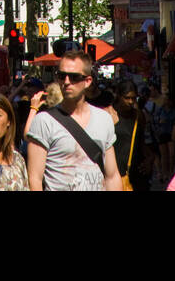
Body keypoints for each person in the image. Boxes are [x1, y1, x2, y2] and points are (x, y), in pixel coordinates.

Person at [25, 49, 122, 192]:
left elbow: (112, 176)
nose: (66, 82)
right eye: (61, 76)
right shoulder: (44, 121)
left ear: (87, 81)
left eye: (74, 77)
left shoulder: (104, 119)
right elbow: (34, 179)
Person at [113, 79, 155, 190]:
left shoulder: (138, 116)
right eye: (127, 98)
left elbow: (140, 143)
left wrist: (149, 159)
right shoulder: (109, 114)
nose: (131, 102)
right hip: (115, 173)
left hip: (136, 174)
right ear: (118, 96)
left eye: (133, 98)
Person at [152, 92, 175, 183]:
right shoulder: (160, 110)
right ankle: (165, 173)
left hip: (171, 132)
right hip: (162, 133)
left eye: (167, 99)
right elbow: (155, 120)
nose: (166, 101)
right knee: (164, 155)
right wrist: (159, 123)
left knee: (172, 154)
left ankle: (170, 172)